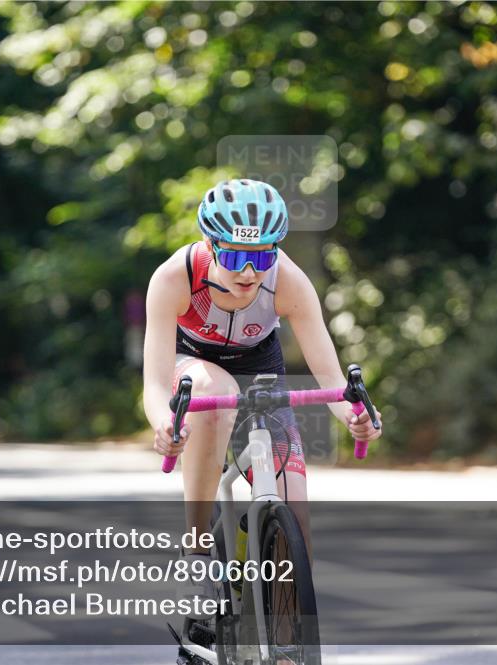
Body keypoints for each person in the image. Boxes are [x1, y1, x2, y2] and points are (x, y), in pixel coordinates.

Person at [141, 178, 383, 615]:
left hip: (259, 365)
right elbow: (156, 385)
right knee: (215, 392)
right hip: (194, 363)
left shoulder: (287, 280)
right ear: (210, 245)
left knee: (296, 517)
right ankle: (197, 554)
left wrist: (355, 414)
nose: (249, 272)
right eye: (234, 256)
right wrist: (165, 422)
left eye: (261, 256)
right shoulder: (174, 279)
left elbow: (329, 375)